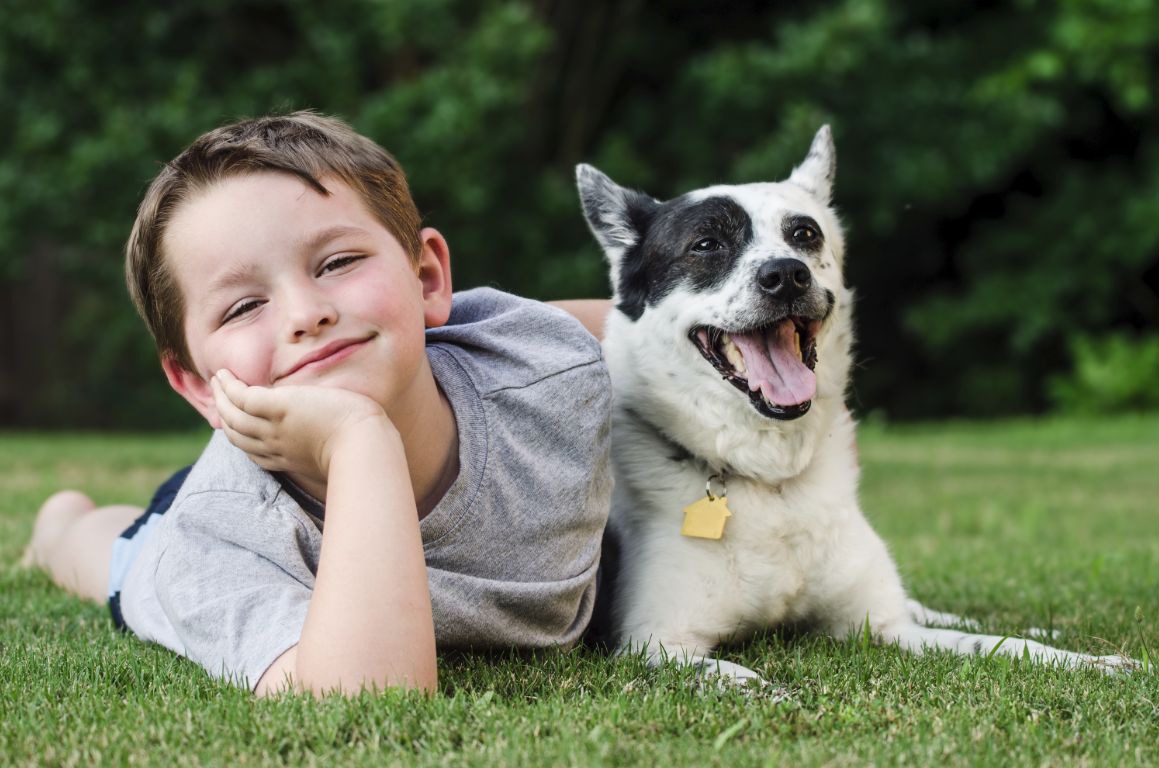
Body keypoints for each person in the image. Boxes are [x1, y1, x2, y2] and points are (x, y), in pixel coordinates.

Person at [21, 111, 614, 697]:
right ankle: (58, 526)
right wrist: (358, 439)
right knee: (119, 557)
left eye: (338, 263)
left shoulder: (540, 362)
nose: (307, 314)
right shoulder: (210, 545)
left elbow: (652, 330)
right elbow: (368, 703)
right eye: (243, 307)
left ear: (428, 278)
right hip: (234, 499)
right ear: (198, 383)